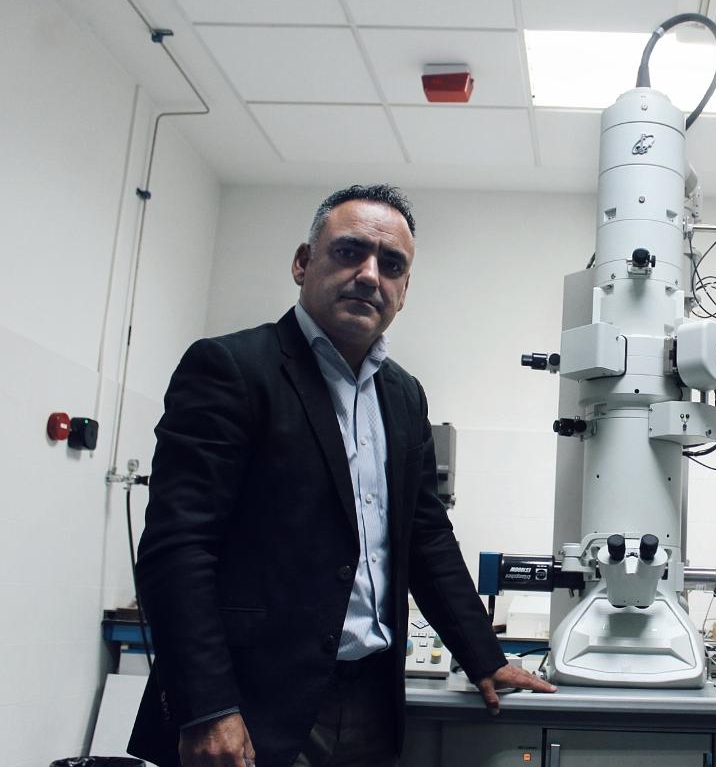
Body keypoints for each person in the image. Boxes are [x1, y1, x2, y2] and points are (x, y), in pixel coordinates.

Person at [128, 184, 555, 767]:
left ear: (404, 291)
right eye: (349, 252)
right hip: (251, 703)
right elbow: (178, 548)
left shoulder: (404, 395)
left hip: (373, 698)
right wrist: (207, 707)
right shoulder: (230, 368)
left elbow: (425, 535)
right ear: (303, 262)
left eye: (391, 265)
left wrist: (484, 655)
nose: (369, 274)